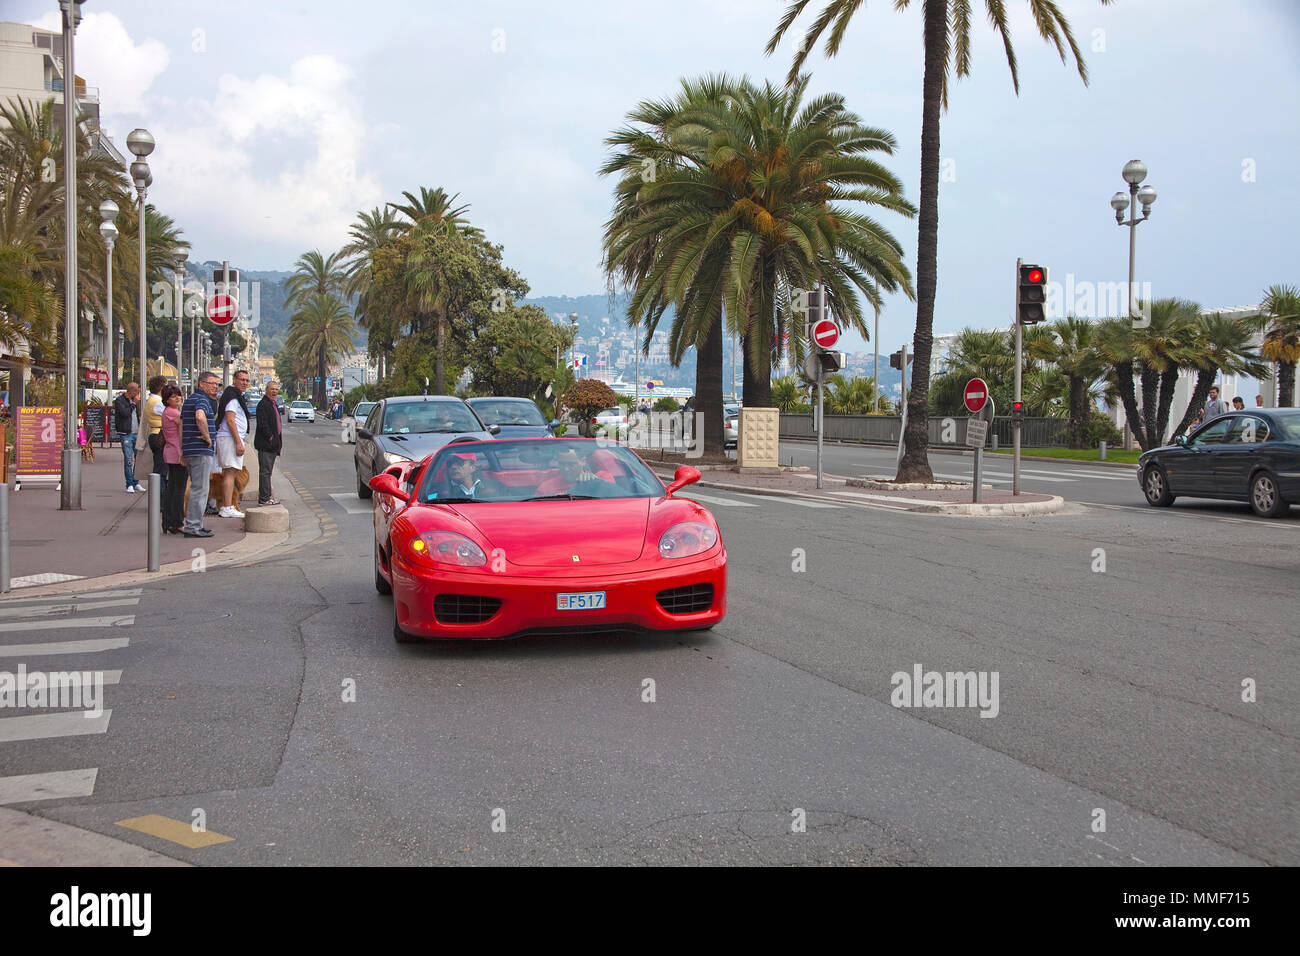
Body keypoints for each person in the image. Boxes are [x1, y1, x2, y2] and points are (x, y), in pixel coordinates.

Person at [181, 372, 220, 538]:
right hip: (200, 450)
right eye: (212, 383)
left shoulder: (189, 399)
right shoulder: (202, 400)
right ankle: (193, 526)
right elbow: (200, 416)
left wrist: (183, 449)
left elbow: (181, 423)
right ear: (202, 384)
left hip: (190, 449)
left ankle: (195, 523)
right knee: (201, 489)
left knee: (197, 487)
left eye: (217, 384)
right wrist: (207, 437)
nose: (215, 387)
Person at [214, 369, 251, 519]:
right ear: (234, 380)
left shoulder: (234, 396)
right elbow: (230, 420)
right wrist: (238, 442)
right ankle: (227, 507)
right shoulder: (232, 397)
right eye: (241, 380)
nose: (244, 383)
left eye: (247, 380)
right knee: (230, 472)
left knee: (231, 472)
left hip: (229, 438)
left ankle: (227, 505)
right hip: (229, 438)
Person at [159, 384, 187, 534]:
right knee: (178, 489)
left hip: (170, 452)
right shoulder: (173, 412)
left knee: (172, 488)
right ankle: (177, 521)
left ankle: (168, 521)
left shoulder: (168, 411)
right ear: (167, 399)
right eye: (173, 396)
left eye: (178, 394)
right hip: (177, 452)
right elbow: (183, 430)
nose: (177, 398)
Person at [534, 447, 615, 496]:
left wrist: (595, 482)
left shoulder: (603, 479)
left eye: (571, 464)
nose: (566, 469)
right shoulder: (546, 488)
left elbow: (617, 504)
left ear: (583, 461)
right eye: (562, 464)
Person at [254, 380, 283, 505]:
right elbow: (263, 424)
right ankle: (264, 498)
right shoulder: (263, 404)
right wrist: (271, 438)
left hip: (273, 444)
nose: (274, 392)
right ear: (266, 390)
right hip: (266, 444)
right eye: (272, 389)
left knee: (268, 472)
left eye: (276, 389)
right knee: (265, 472)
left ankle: (266, 496)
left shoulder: (273, 404)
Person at [112, 382, 144, 493]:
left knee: (138, 458)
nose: (138, 394)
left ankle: (136, 482)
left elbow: (139, 414)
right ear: (132, 391)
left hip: (137, 432)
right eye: (137, 392)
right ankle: (129, 483)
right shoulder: (120, 401)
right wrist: (133, 404)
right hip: (126, 433)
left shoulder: (137, 401)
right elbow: (125, 413)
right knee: (128, 459)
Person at [143, 375, 168, 499]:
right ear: (162, 388)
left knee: (159, 468)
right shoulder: (158, 403)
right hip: (160, 435)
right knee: (161, 470)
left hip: (155, 433)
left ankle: (159, 499)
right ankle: (161, 499)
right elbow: (171, 416)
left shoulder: (150, 400)